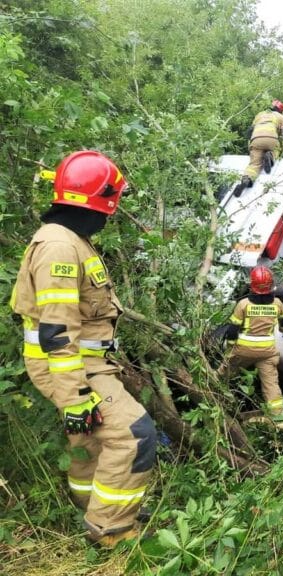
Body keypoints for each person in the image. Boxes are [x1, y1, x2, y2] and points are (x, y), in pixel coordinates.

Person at [10, 150, 157, 548]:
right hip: (71, 365)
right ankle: (111, 530)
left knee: (89, 439)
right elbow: (56, 332)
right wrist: (75, 396)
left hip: (80, 362)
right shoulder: (59, 247)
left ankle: (93, 504)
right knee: (134, 435)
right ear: (102, 201)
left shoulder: (69, 239)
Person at [217, 265, 283, 417]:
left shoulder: (243, 304)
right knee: (271, 385)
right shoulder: (277, 303)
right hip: (267, 353)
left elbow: (232, 330)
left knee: (223, 374)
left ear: (252, 286)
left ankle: (213, 394)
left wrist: (230, 350)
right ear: (271, 286)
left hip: (243, 350)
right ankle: (278, 416)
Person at [235, 99, 283, 195]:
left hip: (256, 140)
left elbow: (249, 132)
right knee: (276, 150)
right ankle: (270, 156)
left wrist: (251, 148)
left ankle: (246, 179)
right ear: (280, 110)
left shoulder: (259, 115)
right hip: (271, 139)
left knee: (254, 164)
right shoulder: (280, 116)